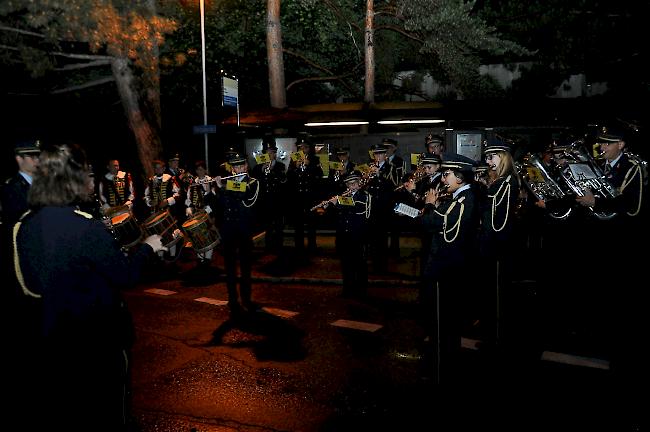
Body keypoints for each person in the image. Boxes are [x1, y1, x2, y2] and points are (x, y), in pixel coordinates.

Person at [12, 141, 166, 430]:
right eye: (86, 173)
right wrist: (147, 247)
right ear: (74, 179)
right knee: (110, 411)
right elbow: (125, 276)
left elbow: (32, 285)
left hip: (51, 340)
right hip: (98, 343)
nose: (90, 179)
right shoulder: (86, 226)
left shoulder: (22, 226)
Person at [421, 154, 479, 383]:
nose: (443, 178)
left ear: (460, 176)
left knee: (444, 320)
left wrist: (429, 205)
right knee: (445, 319)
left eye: (447, 174)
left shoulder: (464, 200)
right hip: (449, 265)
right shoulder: (457, 198)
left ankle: (442, 369)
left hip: (447, 266)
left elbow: (442, 230)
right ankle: (444, 360)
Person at [476, 140, 520, 345]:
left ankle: (495, 334)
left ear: (502, 157)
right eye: (487, 157)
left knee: (496, 289)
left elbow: (496, 218)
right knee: (489, 288)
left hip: (497, 243)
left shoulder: (507, 181)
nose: (488, 161)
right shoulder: (501, 180)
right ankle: (491, 328)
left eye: (491, 157)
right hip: (494, 241)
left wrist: (482, 190)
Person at [214, 152, 260, 315]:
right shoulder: (228, 182)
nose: (238, 169)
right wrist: (209, 191)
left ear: (246, 166)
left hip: (244, 231)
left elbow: (243, 193)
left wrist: (222, 187)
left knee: (245, 268)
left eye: (241, 165)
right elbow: (219, 205)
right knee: (230, 268)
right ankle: (232, 299)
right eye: (235, 166)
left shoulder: (253, 182)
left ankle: (246, 299)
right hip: (228, 231)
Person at [326, 171, 371, 299]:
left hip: (357, 235)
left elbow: (357, 207)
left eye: (354, 183)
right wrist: (330, 204)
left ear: (358, 183)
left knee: (359, 264)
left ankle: (361, 291)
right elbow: (337, 215)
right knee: (346, 264)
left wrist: (339, 203)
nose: (352, 186)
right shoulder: (343, 196)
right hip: (344, 235)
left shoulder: (364, 195)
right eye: (349, 184)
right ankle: (348, 289)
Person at [286, 134, 323, 255]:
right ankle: (299, 247)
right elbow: (288, 178)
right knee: (299, 224)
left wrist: (310, 165)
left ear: (308, 148)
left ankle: (312, 246)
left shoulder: (314, 159)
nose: (302, 150)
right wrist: (294, 168)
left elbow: (320, 175)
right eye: (300, 148)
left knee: (311, 223)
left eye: (305, 147)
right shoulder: (293, 159)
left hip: (310, 197)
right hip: (298, 197)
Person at [251, 136, 287, 252]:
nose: (269, 155)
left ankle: (279, 246)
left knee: (278, 226)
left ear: (275, 154)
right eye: (267, 152)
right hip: (264, 201)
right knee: (267, 226)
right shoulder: (257, 167)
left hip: (277, 201)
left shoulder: (280, 166)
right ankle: (269, 247)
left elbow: (283, 181)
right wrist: (262, 169)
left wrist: (271, 170)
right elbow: (253, 181)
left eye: (272, 153)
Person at [185, 160, 218, 266]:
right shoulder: (193, 182)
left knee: (208, 234)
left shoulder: (211, 181)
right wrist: (189, 209)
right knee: (196, 235)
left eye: (201, 169)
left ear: (205, 170)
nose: (199, 172)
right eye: (197, 170)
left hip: (208, 212)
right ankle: (200, 257)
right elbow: (189, 198)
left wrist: (206, 211)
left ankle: (207, 258)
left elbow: (214, 199)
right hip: (196, 213)